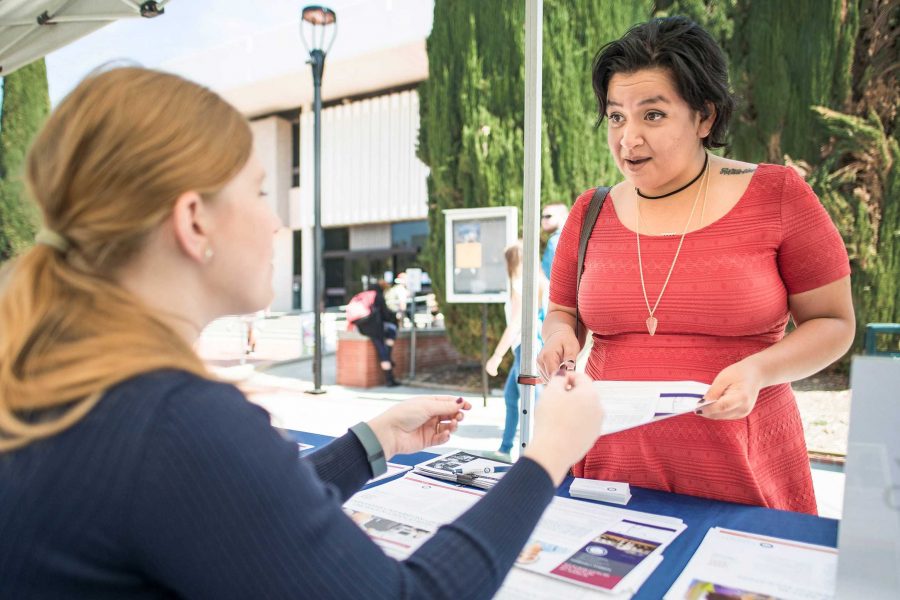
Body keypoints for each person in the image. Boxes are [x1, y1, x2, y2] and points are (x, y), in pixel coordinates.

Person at [0, 66, 607, 599]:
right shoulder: (175, 418)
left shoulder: (59, 374)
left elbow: (227, 510)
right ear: (193, 221)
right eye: (260, 192)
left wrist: (369, 443)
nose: (276, 221)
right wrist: (546, 457)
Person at [538, 17, 855, 514]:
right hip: (609, 470)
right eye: (616, 116)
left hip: (743, 471)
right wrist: (558, 336)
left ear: (705, 117)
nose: (628, 138)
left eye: (653, 116)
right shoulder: (590, 211)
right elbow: (563, 313)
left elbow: (834, 323)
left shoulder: (777, 195)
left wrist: (759, 370)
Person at [485, 241, 543, 460]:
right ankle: (505, 448)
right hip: (530, 347)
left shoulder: (519, 286)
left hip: (525, 348)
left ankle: (534, 452)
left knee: (533, 401)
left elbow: (516, 323)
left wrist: (496, 356)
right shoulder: (536, 282)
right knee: (512, 396)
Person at [354, 279, 401, 386]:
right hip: (375, 327)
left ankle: (388, 361)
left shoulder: (362, 295)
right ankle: (389, 378)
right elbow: (385, 314)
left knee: (382, 348)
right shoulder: (377, 296)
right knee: (388, 340)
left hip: (362, 327)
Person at [539, 203, 569, 281]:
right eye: (542, 217)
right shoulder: (570, 237)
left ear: (563, 216)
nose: (543, 220)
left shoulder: (555, 241)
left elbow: (558, 274)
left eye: (548, 216)